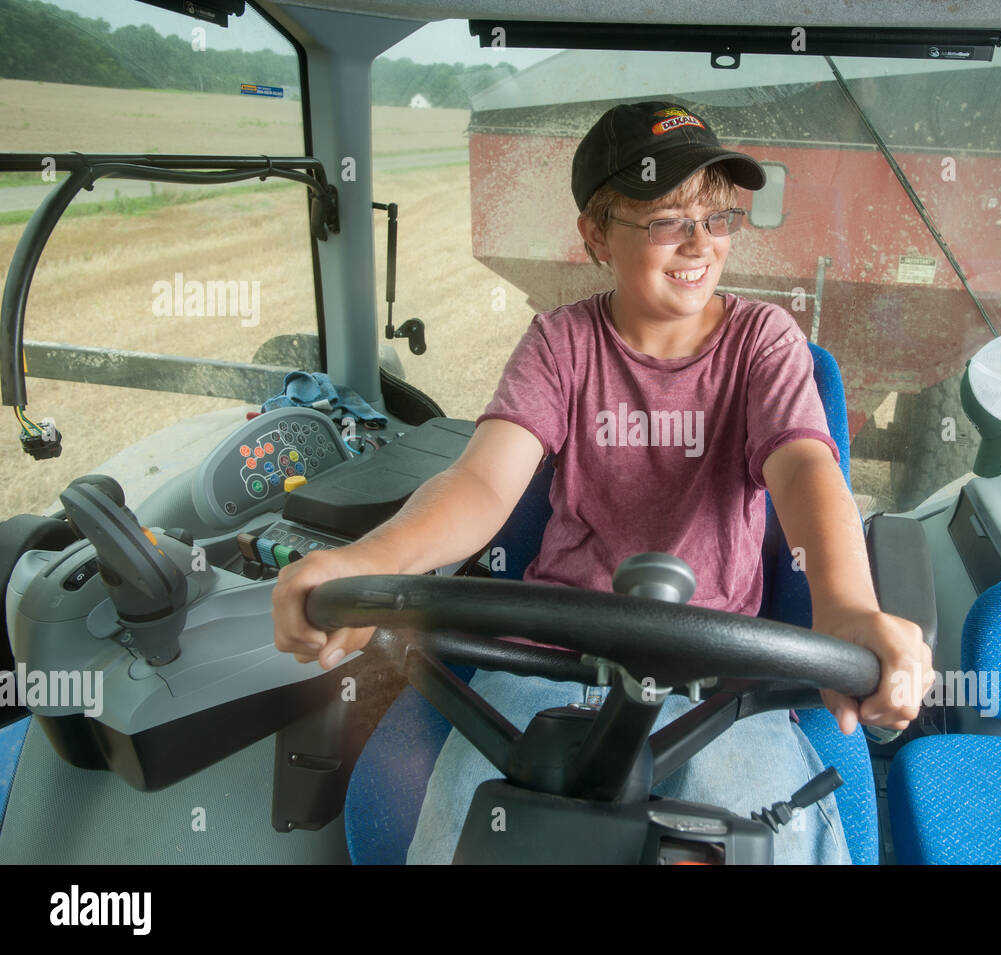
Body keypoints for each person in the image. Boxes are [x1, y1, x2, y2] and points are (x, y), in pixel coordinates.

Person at [271, 101, 934, 864]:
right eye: (665, 220)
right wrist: (372, 559)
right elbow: (482, 483)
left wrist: (848, 607)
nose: (699, 244)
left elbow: (806, 470)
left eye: (718, 218)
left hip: (716, 676)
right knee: (469, 833)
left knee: (770, 839)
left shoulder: (763, 342)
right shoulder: (561, 344)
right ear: (595, 234)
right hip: (551, 658)